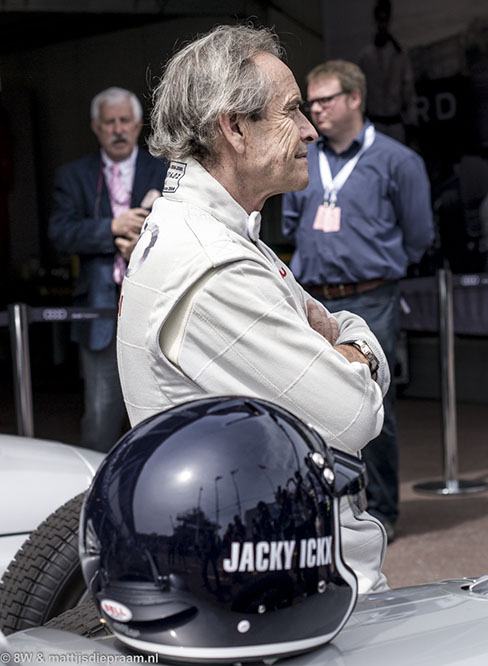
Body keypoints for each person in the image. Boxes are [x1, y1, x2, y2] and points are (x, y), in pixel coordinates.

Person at [117, 24, 391, 593]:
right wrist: (356, 346)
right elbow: (355, 416)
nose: (310, 130)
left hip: (270, 568)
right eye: (291, 110)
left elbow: (337, 350)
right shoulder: (216, 264)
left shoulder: (213, 231)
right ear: (234, 128)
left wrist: (343, 345)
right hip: (299, 591)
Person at [281, 59, 434, 542]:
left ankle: (383, 509)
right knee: (307, 400)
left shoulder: (397, 161)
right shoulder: (304, 154)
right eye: (312, 101)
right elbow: (289, 224)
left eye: (326, 99)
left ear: (355, 100)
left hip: (372, 298)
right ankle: (326, 508)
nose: (316, 111)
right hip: (310, 301)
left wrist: (375, 267)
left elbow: (418, 237)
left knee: (371, 400)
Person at [49, 87, 167, 452]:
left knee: (160, 410)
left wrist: (144, 237)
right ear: (96, 128)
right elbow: (59, 234)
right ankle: (89, 498)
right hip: (98, 309)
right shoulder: (74, 175)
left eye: (124, 121)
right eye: (109, 122)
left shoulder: (163, 169)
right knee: (100, 413)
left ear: (138, 125)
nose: (117, 129)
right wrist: (111, 228)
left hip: (155, 306)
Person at [358, 0, 418, 144]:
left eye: (385, 20)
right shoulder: (366, 56)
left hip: (396, 122)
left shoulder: (399, 54)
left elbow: (408, 89)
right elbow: (360, 90)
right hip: (374, 122)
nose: (382, 25)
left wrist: (412, 121)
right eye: (380, 20)